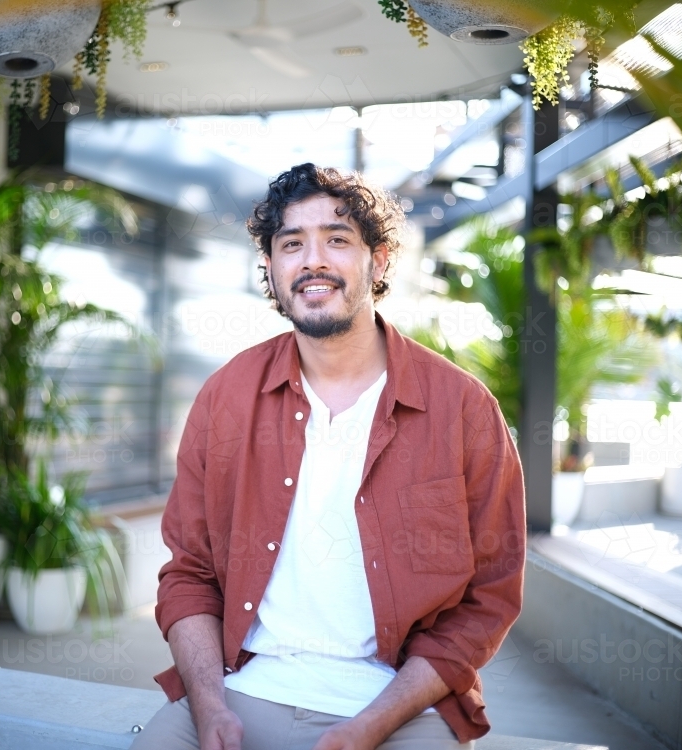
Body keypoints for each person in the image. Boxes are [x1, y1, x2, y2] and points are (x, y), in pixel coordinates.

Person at [132, 163, 525, 750]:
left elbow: (489, 595)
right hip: (241, 687)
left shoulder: (461, 409)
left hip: (400, 706)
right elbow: (189, 573)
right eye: (292, 244)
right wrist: (210, 709)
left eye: (337, 240)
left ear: (380, 259)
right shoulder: (226, 397)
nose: (313, 261)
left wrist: (368, 728)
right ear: (270, 266)